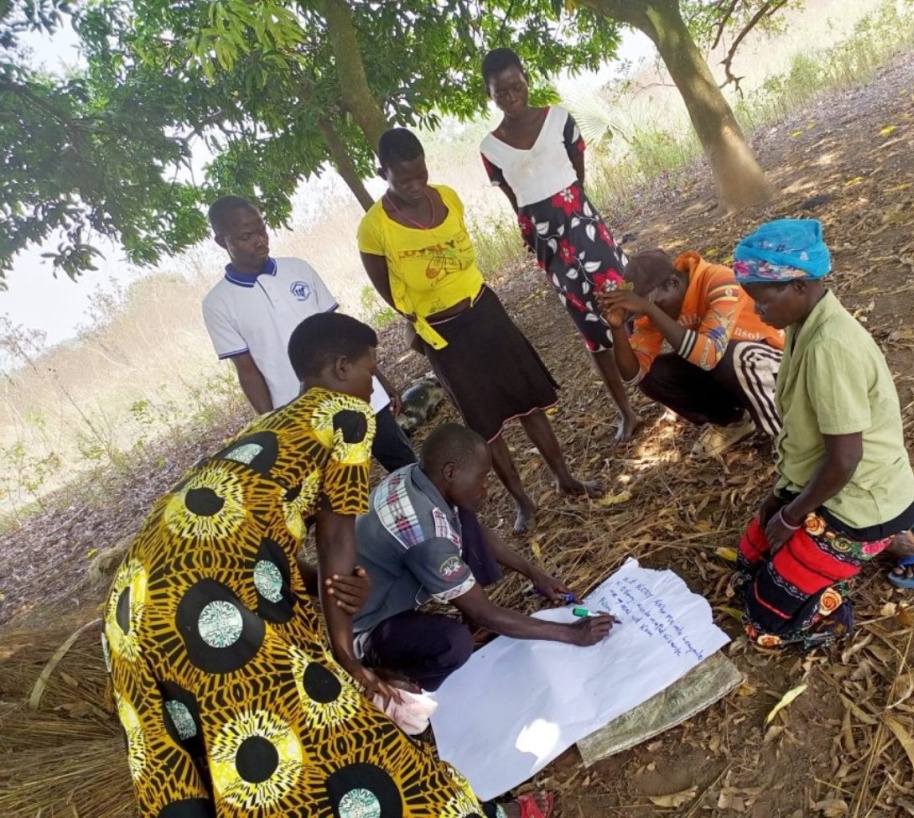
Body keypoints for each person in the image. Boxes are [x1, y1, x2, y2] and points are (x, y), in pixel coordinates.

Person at [103, 313, 557, 818]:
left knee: (219, 754)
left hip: (136, 599)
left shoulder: (273, 424)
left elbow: (260, 546)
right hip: (207, 598)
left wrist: (327, 596)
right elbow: (336, 539)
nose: (373, 385)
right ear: (342, 369)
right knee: (327, 730)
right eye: (370, 370)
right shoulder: (346, 414)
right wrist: (346, 657)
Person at [358, 127, 599, 534]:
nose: (416, 186)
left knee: (528, 399)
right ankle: (523, 501)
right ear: (383, 173)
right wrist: (425, 310)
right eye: (404, 180)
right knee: (486, 424)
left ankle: (564, 477)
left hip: (484, 310)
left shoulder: (447, 197)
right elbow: (389, 293)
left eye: (421, 174)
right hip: (443, 333)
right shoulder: (374, 228)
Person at [725, 219, 914, 649]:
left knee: (764, 626)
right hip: (827, 485)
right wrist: (781, 499)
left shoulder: (829, 346)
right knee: (747, 568)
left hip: (860, 500)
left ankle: (875, 547)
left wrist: (791, 515)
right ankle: (869, 544)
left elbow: (845, 459)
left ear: (799, 286)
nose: (757, 312)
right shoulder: (803, 324)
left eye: (762, 301)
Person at [336, 423, 614, 692]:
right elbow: (485, 612)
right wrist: (572, 634)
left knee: (465, 514)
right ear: (450, 471)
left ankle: (460, 614)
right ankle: (398, 678)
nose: (487, 487)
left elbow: (470, 529)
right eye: (482, 476)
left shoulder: (416, 477)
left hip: (386, 587)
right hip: (369, 626)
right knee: (454, 644)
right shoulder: (427, 535)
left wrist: (535, 574)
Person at [479, 47, 642, 445]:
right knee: (589, 328)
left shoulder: (559, 119)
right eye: (501, 92)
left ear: (526, 80)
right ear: (490, 94)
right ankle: (627, 412)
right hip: (551, 248)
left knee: (628, 301)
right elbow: (514, 199)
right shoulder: (490, 148)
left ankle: (667, 378)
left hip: (586, 229)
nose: (511, 96)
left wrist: (576, 212)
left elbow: (577, 169)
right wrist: (536, 234)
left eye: (516, 86)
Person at [202, 195, 416, 472]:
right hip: (304, 415)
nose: (260, 240)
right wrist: (273, 425)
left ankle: (438, 514)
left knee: (406, 466)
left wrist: (379, 379)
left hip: (360, 394)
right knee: (332, 497)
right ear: (222, 241)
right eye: (246, 236)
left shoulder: (297, 269)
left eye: (262, 230)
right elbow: (248, 371)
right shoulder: (218, 303)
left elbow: (341, 332)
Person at [597, 248, 783, 440]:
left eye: (653, 304)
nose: (649, 313)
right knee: (652, 375)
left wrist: (650, 309)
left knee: (724, 356)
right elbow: (633, 375)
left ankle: (782, 428)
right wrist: (617, 327)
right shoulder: (653, 312)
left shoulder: (719, 280)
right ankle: (736, 421)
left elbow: (709, 355)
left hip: (775, 368)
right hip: (731, 373)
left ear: (673, 283)